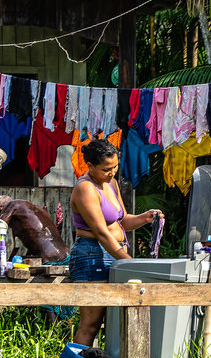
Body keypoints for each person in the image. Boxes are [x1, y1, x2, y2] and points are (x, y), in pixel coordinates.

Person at [68, 138, 161, 346]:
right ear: (90, 166)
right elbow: (101, 232)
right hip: (92, 255)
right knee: (91, 324)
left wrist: (144, 218)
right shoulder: (85, 189)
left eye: (115, 166)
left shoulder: (111, 183)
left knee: (112, 322)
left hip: (113, 254)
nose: (112, 172)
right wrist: (129, 262)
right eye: (106, 169)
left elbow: (121, 221)